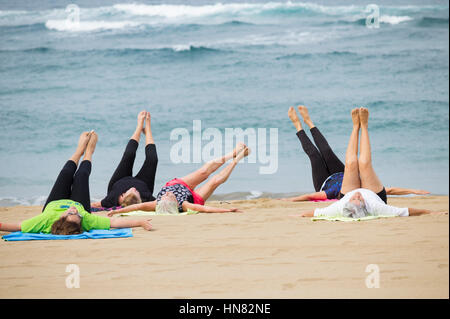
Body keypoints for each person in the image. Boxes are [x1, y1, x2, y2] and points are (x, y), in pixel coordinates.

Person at [0, 131, 152, 234]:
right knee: (81, 175)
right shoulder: (85, 218)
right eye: (77, 215)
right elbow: (114, 223)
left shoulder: (45, 220)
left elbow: (17, 226)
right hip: (82, 203)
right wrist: (140, 222)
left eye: (70, 213)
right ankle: (88, 152)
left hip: (54, 203)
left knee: (66, 173)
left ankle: (78, 151)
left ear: (61, 218)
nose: (73, 210)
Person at [299, 108, 440, 218]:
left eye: (354, 198)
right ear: (365, 205)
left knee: (351, 163)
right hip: (375, 194)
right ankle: (364, 126)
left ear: (347, 203)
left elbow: (315, 213)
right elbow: (406, 211)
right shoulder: (376, 206)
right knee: (364, 163)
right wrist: (429, 212)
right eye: (359, 199)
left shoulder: (340, 207)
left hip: (345, 190)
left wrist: (298, 214)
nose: (358, 195)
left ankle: (355, 127)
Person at [279, 105, 429, 202]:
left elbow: (310, 196)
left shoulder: (331, 193)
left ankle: (298, 125)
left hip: (323, 181)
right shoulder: (362, 187)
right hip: (342, 172)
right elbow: (389, 190)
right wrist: (413, 190)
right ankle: (309, 121)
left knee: (315, 155)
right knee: (326, 151)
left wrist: (289, 200)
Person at [107, 143, 250, 216]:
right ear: (175, 204)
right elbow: (205, 209)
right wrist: (227, 211)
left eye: (164, 196)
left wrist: (117, 211)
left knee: (204, 171)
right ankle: (237, 159)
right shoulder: (186, 205)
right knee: (214, 181)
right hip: (193, 197)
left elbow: (137, 207)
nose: (167, 194)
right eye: (169, 197)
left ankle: (232, 153)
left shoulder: (157, 203)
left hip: (178, 184)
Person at [91, 110, 158, 209]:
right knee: (153, 159)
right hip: (144, 183)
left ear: (122, 196)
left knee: (129, 154)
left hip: (120, 179)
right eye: (137, 192)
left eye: (132, 190)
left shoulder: (111, 198)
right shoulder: (147, 198)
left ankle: (139, 127)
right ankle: (148, 130)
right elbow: (160, 203)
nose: (134, 188)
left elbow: (94, 205)